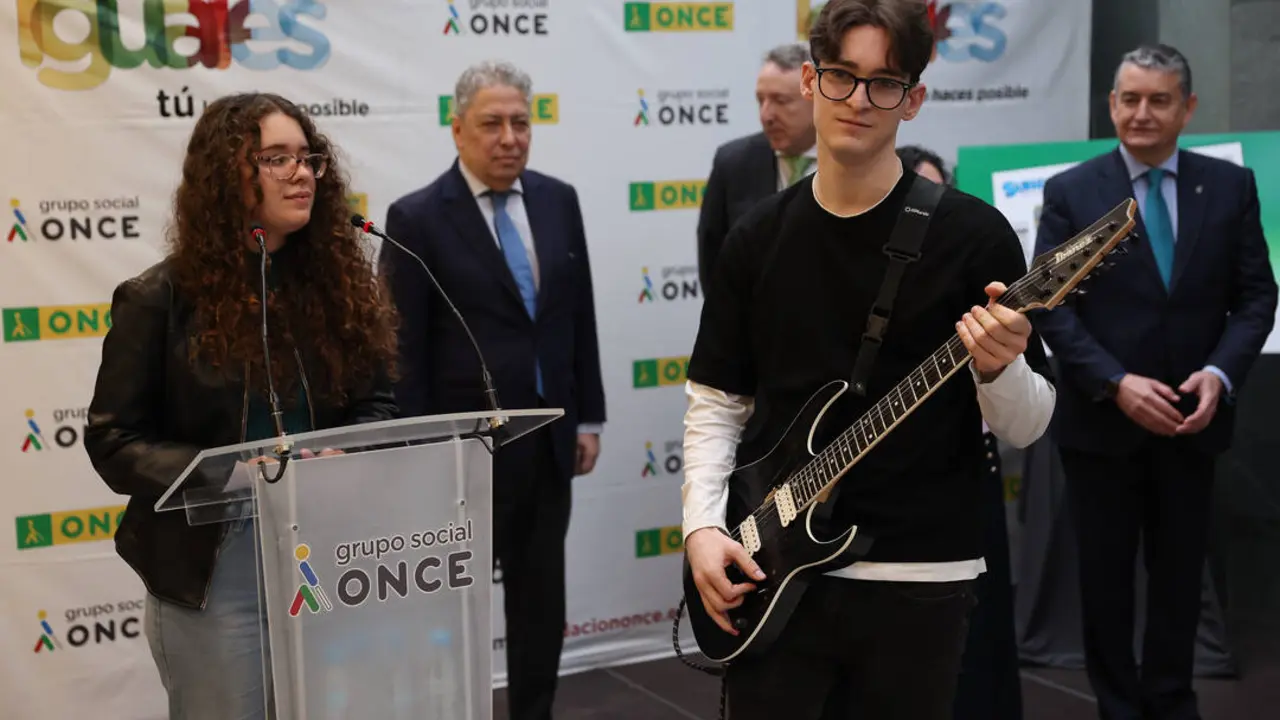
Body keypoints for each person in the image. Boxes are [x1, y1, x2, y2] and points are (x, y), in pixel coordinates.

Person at [680, 1, 1057, 718]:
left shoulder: (974, 237)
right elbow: (717, 402)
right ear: (810, 81)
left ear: (913, 99)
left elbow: (1027, 425)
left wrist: (998, 368)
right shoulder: (755, 238)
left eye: (884, 82)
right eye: (842, 76)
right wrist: (702, 528)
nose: (859, 99)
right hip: (771, 567)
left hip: (921, 575)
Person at [83, 92, 400, 720]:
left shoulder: (335, 288)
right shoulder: (157, 298)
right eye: (276, 158)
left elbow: (378, 403)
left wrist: (344, 454)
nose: (301, 173)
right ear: (227, 173)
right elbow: (113, 441)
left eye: (307, 158)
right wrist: (227, 473)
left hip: (327, 545)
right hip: (216, 559)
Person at [1032, 43, 1277, 720]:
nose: (1142, 113)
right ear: (1112, 104)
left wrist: (1220, 374)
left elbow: (1257, 297)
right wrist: (1115, 382)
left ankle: (1172, 701)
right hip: (1101, 424)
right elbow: (1051, 305)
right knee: (1105, 582)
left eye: (1159, 100)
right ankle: (1117, 706)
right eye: (1130, 99)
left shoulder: (1229, 187)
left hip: (1193, 422)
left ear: (1187, 107)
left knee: (1179, 579)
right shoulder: (1072, 192)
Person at [379, 60, 606, 720]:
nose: (510, 138)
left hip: (549, 442)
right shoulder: (417, 217)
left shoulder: (558, 199)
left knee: (541, 602)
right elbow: (402, 350)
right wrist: (418, 451)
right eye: (492, 124)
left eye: (520, 123)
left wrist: (588, 417)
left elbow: (577, 316)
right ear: (457, 130)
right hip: (463, 454)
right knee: (455, 607)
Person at [892, 143, 1026, 720]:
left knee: (980, 640)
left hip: (966, 476)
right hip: (879, 501)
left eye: (936, 196)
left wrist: (1000, 369)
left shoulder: (978, 266)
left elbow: (1026, 410)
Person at [697, 42, 817, 292]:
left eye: (781, 101)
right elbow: (713, 263)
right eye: (760, 100)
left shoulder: (850, 162)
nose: (766, 115)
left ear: (817, 98)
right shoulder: (733, 163)